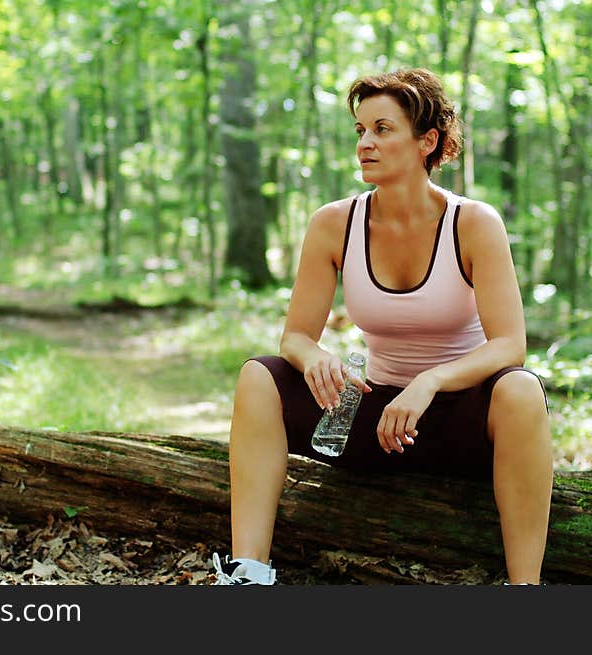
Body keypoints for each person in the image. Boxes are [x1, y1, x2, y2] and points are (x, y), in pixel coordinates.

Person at [211, 68, 553, 586]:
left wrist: (431, 380)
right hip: (376, 423)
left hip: (458, 422)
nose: (365, 143)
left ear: (427, 141)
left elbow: (511, 345)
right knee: (259, 376)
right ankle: (249, 573)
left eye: (382, 129)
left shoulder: (473, 223)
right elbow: (295, 337)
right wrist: (315, 358)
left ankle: (524, 588)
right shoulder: (333, 223)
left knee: (522, 390)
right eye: (359, 130)